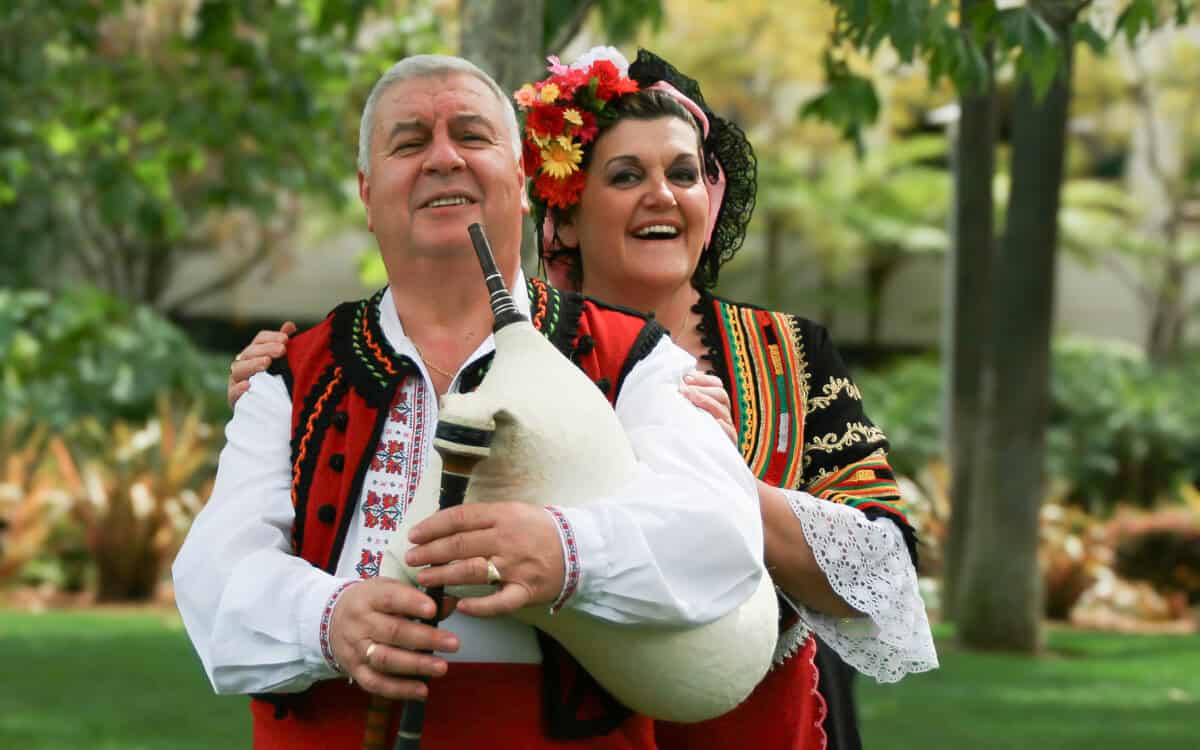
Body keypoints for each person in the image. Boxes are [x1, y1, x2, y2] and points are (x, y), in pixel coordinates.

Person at [230, 48, 939, 749]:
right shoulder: (511, 347)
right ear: (564, 217)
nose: (662, 196)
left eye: (684, 174)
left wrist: (723, 487)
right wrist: (291, 384)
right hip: (586, 716)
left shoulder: (786, 351)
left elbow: (884, 571)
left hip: (756, 722)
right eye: (626, 176)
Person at [176, 53, 767, 750]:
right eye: (409, 143)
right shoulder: (293, 374)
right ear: (367, 193)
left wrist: (566, 551)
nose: (443, 158)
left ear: (521, 180)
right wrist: (328, 619)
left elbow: (723, 533)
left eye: (471, 135)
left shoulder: (633, 357)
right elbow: (213, 575)